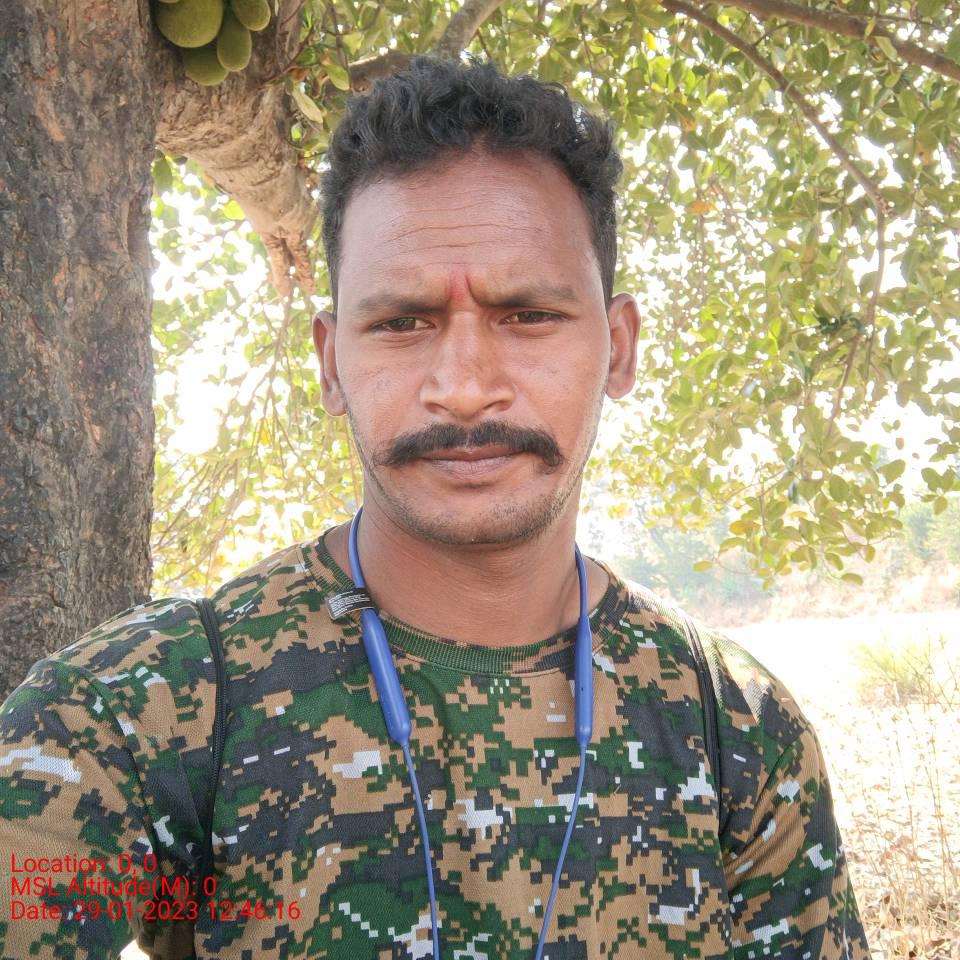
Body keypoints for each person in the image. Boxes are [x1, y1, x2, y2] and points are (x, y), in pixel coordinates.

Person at [0, 56, 869, 960]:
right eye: (402, 322)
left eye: (527, 314)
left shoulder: (736, 731)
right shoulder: (146, 712)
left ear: (618, 348)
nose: (463, 387)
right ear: (331, 364)